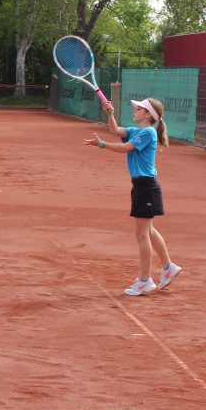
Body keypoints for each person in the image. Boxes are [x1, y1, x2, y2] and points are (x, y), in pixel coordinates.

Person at [85, 98, 182, 296]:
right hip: (142, 186)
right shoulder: (138, 131)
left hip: (146, 187)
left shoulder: (148, 132)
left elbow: (125, 148)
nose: (134, 110)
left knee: (142, 235)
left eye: (138, 109)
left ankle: (145, 281)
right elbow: (116, 131)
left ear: (147, 115)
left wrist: (101, 144)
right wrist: (110, 112)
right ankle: (168, 267)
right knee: (150, 231)